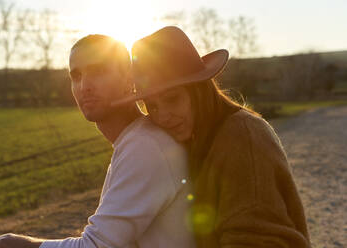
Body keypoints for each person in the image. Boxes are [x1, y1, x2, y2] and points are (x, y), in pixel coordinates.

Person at [0, 34, 196, 248]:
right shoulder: (134, 141)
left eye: (98, 71)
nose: (84, 86)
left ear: (128, 79)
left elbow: (96, 246)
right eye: (76, 76)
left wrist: (15, 244)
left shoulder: (145, 146)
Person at [113, 26, 311, 247]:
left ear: (199, 89)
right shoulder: (203, 135)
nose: (163, 116)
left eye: (172, 99)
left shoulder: (242, 136)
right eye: (152, 106)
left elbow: (257, 241)